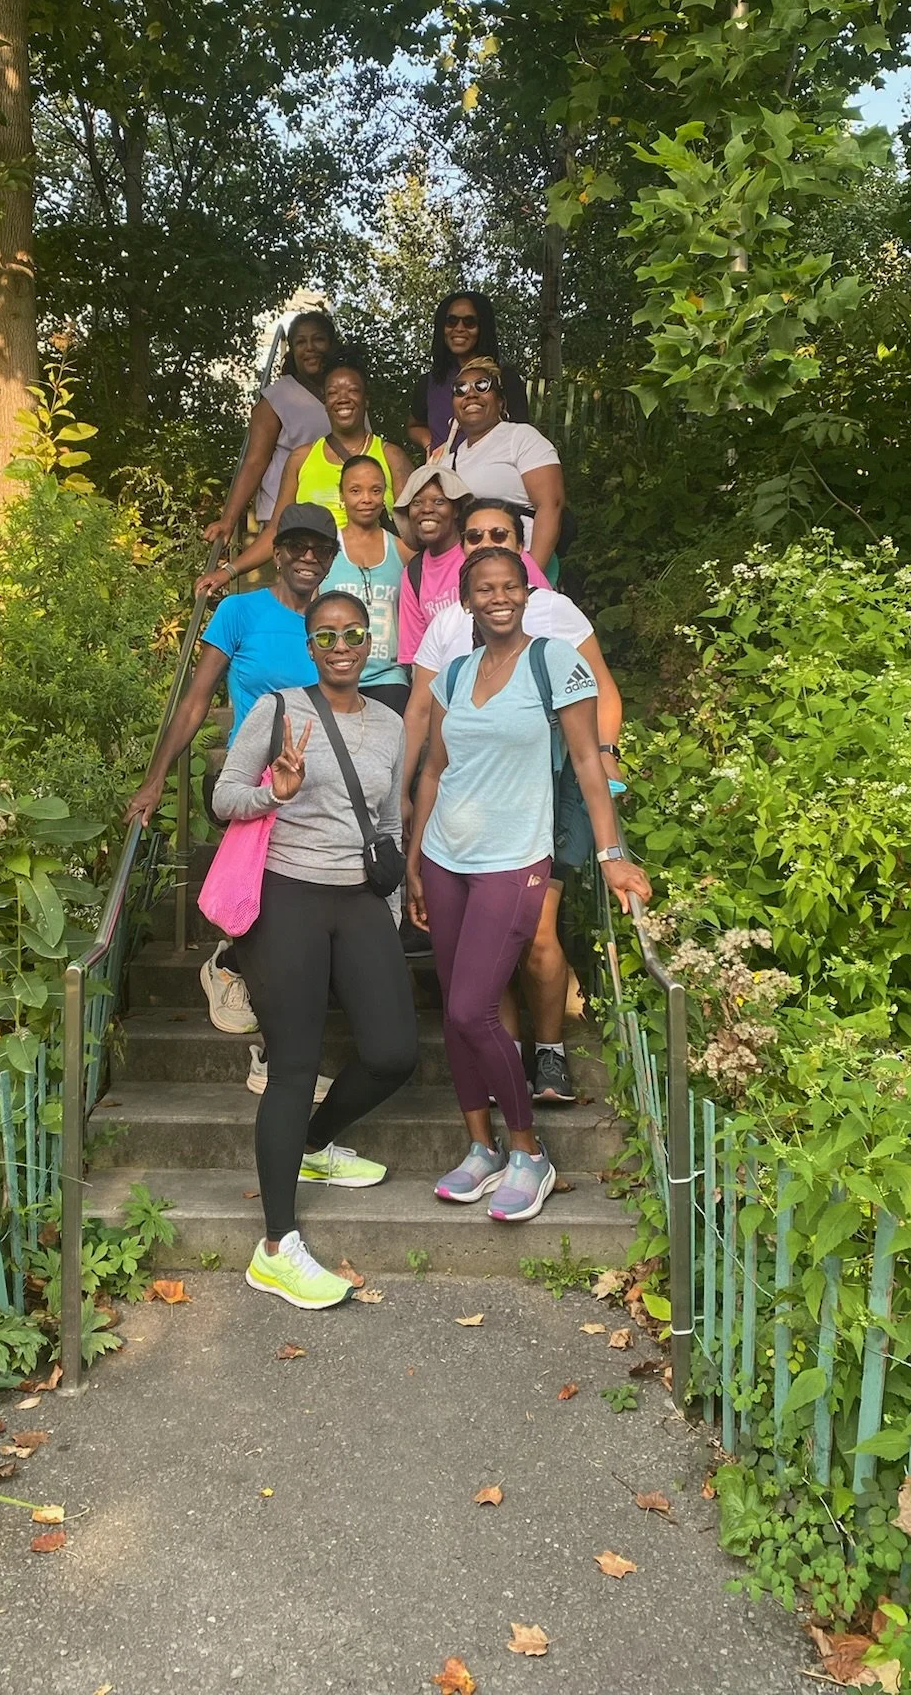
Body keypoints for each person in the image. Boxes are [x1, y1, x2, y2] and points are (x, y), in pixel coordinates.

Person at [406, 547, 651, 1222]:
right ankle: (480, 1149)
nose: (497, 598)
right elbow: (432, 770)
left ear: (526, 591)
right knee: (455, 1011)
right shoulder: (452, 674)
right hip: (445, 856)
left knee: (470, 1010)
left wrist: (611, 853)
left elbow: (586, 761)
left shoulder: (554, 662)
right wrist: (413, 859)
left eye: (508, 585)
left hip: (515, 858)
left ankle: (528, 1151)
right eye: (483, 589)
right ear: (467, 601)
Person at [213, 593, 418, 1309]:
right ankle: (276, 1246)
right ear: (310, 643)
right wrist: (276, 790)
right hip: (288, 898)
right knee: (295, 1063)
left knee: (394, 1051)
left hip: (359, 899)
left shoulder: (391, 725)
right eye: (325, 635)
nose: (340, 644)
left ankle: (313, 1145)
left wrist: (388, 910)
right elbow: (223, 795)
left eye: (352, 634)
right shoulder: (277, 710)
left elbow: (389, 822)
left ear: (370, 642)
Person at [403, 498, 626, 1105]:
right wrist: (405, 791)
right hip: (469, 812)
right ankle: (500, 1062)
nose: (483, 543)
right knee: (483, 958)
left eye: (497, 533)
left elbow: (598, 694)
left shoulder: (554, 612)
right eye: (472, 536)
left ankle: (548, 1054)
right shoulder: (447, 623)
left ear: (524, 550)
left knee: (540, 937)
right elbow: (425, 714)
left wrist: (608, 760)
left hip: (542, 790)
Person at [125, 503, 339, 1033]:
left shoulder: (334, 622)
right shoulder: (239, 613)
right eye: (296, 545)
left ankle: (241, 971)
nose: (307, 556)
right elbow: (197, 702)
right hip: (255, 783)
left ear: (332, 559)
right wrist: (155, 782)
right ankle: (229, 970)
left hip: (318, 784)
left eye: (320, 548)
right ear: (278, 553)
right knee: (264, 896)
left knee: (301, 905)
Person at [198, 364, 412, 594]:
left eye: (352, 390)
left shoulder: (391, 456)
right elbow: (275, 531)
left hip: (379, 583)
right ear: (324, 403)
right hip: (314, 586)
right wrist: (228, 571)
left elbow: (412, 532)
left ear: (366, 399)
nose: (343, 398)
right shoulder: (302, 458)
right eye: (332, 393)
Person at [202, 310, 338, 551]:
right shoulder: (276, 398)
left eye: (318, 339)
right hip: (286, 519)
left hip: (335, 514)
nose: (310, 348)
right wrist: (228, 520)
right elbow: (254, 461)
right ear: (292, 351)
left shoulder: (347, 393)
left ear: (331, 344)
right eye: (300, 342)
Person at [393, 462, 545, 667]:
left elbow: (546, 613)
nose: (427, 509)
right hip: (450, 685)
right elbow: (414, 656)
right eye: (417, 503)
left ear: (456, 509)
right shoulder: (413, 573)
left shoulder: (495, 551)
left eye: (439, 501)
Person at [427, 356, 565, 575]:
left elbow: (551, 505)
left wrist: (531, 577)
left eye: (482, 386)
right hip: (471, 576)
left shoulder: (521, 437)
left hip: (523, 563)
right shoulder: (448, 460)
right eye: (460, 389)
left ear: (501, 402)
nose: (470, 393)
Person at [321, 456, 413, 715]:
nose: (366, 499)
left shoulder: (402, 550)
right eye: (355, 490)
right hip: (333, 673)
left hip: (388, 678)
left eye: (375, 490)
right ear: (342, 495)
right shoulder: (325, 551)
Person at [408, 291, 529, 456]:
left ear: (482, 327)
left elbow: (522, 437)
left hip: (491, 475)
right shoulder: (429, 382)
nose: (459, 328)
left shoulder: (505, 379)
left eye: (469, 322)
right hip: (443, 477)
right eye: (451, 321)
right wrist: (430, 445)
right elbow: (414, 426)